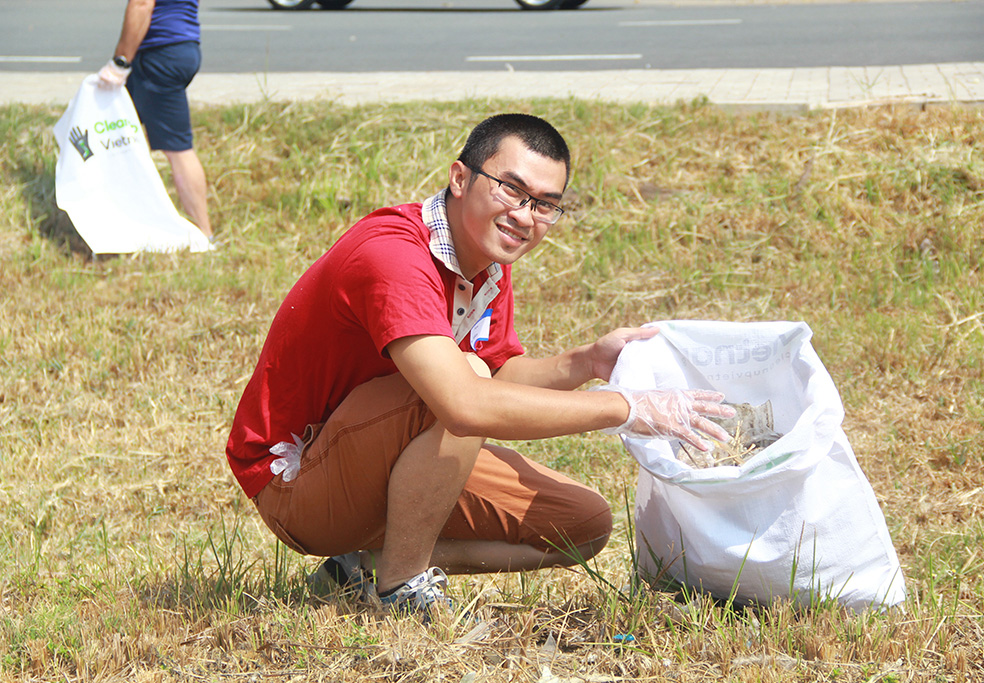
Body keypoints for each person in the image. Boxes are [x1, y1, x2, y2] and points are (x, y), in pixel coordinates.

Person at [225, 113, 734, 616]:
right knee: (464, 381)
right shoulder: (393, 256)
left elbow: (499, 373)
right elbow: (465, 404)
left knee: (581, 526)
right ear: (460, 177)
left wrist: (588, 361)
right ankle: (400, 588)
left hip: (378, 450)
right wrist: (624, 408)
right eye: (511, 190)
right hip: (295, 481)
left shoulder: (484, 261)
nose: (524, 215)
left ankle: (360, 568)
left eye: (545, 205)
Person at [97, 0, 213, 239]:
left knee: (178, 148)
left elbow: (141, 4)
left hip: (159, 54)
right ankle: (121, 215)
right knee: (121, 135)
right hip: (185, 45)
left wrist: (120, 61)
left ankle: (204, 234)